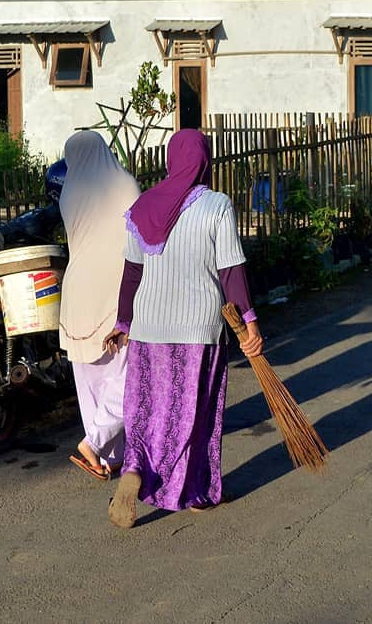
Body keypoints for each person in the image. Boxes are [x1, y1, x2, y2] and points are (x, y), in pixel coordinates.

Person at [104, 129, 262, 528]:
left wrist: (123, 323)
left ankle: (134, 468)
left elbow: (131, 274)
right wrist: (249, 322)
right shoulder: (217, 206)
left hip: (147, 328)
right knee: (193, 414)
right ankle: (196, 493)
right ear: (205, 162)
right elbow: (231, 271)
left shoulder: (142, 207)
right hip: (197, 329)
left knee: (146, 410)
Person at [60, 131, 141, 480]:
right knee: (129, 373)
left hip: (78, 288)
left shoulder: (69, 191)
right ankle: (96, 444)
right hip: (116, 284)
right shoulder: (125, 184)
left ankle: (109, 455)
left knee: (90, 378)